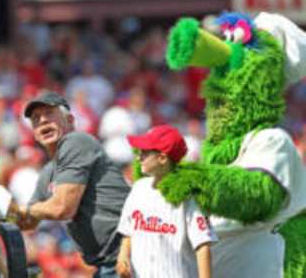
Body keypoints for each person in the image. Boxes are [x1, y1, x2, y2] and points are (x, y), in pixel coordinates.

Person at [11, 91, 131, 277]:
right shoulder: (48, 173)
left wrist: (25, 210)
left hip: (128, 253)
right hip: (108, 263)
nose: (42, 120)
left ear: (70, 120)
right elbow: (28, 221)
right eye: (35, 118)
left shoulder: (77, 141)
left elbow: (62, 208)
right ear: (34, 133)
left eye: (49, 114)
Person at [115, 125, 217, 278]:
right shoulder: (138, 188)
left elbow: (203, 246)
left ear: (162, 158)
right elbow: (128, 232)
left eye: (145, 152)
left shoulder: (186, 196)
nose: (138, 157)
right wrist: (123, 256)